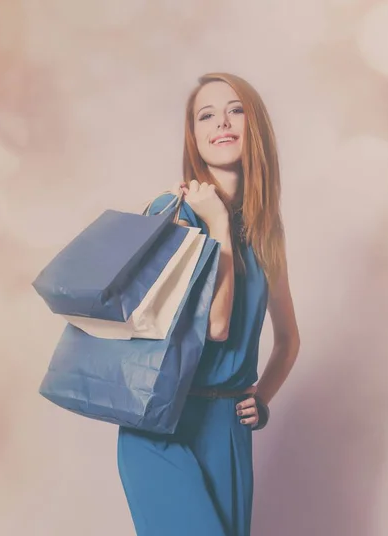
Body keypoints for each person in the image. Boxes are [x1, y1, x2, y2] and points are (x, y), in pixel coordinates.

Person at [117, 72, 301, 536]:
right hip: (165, 426)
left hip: (228, 430)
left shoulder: (264, 231)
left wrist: (261, 397)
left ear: (253, 124)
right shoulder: (172, 213)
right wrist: (217, 224)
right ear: (194, 137)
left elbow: (289, 340)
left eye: (235, 109)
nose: (222, 121)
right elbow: (215, 328)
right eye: (206, 115)